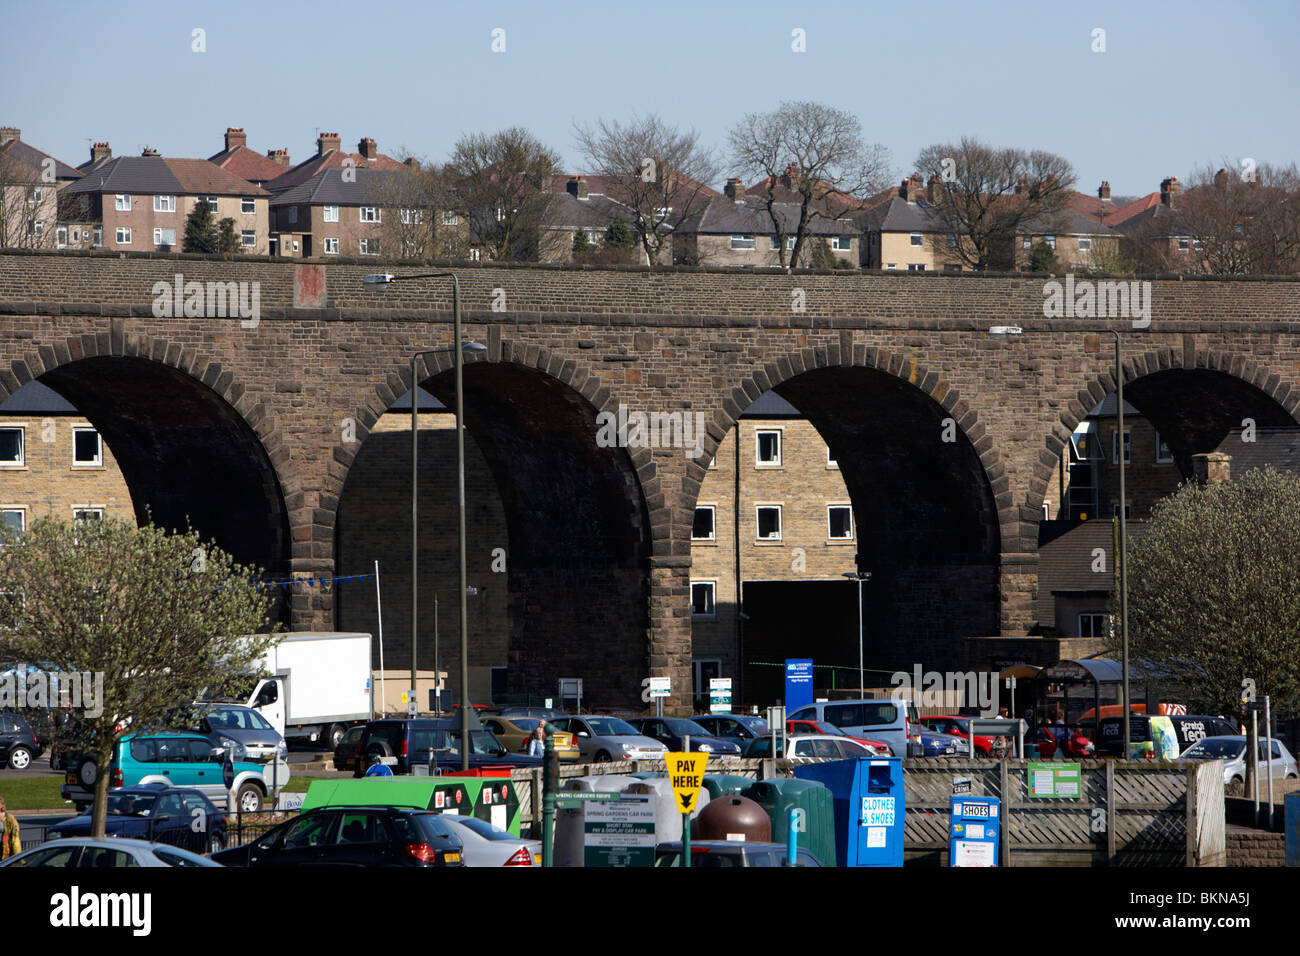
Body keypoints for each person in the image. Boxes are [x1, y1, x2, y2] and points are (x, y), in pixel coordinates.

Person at [0, 797, 20, 861]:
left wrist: (17, 853)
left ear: (2, 805)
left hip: (5, 850)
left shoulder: (10, 818)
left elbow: (15, 835)